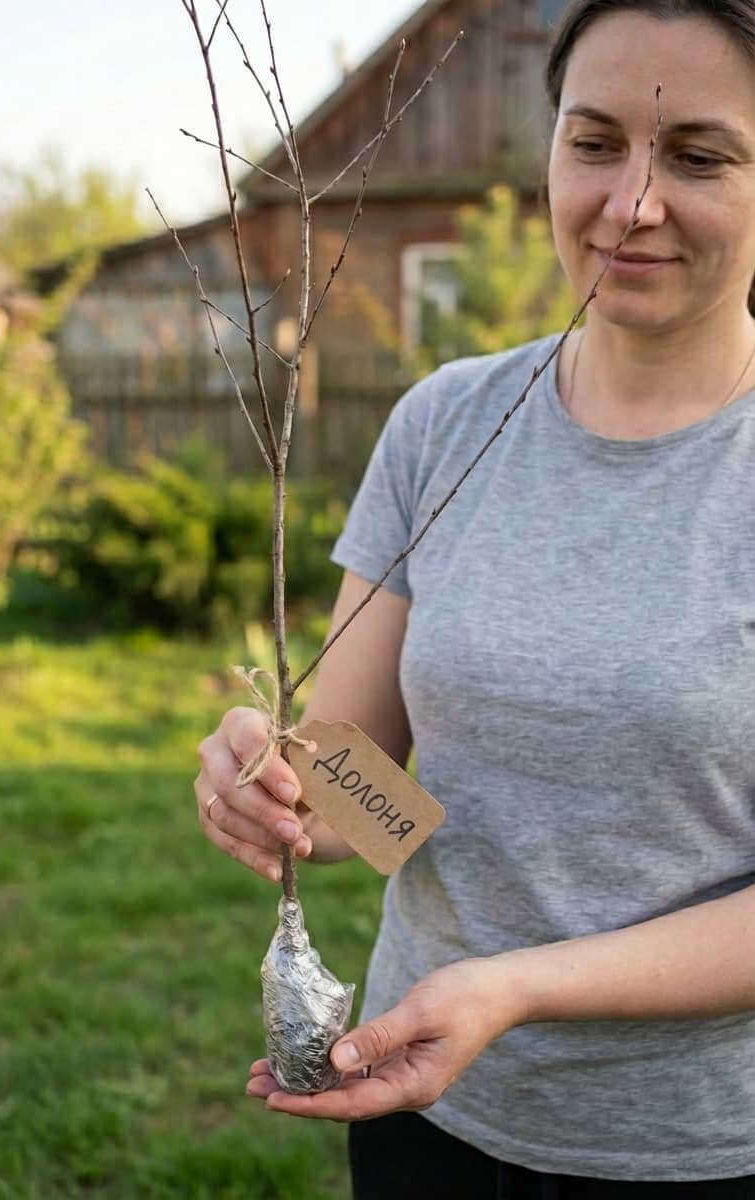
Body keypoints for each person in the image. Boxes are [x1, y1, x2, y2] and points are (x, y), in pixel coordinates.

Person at [194, 1, 755, 1194]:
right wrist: (276, 784)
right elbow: (368, 802)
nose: (631, 203)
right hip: (421, 1111)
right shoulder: (446, 423)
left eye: (698, 156)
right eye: (593, 142)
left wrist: (518, 987)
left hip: (696, 1149)